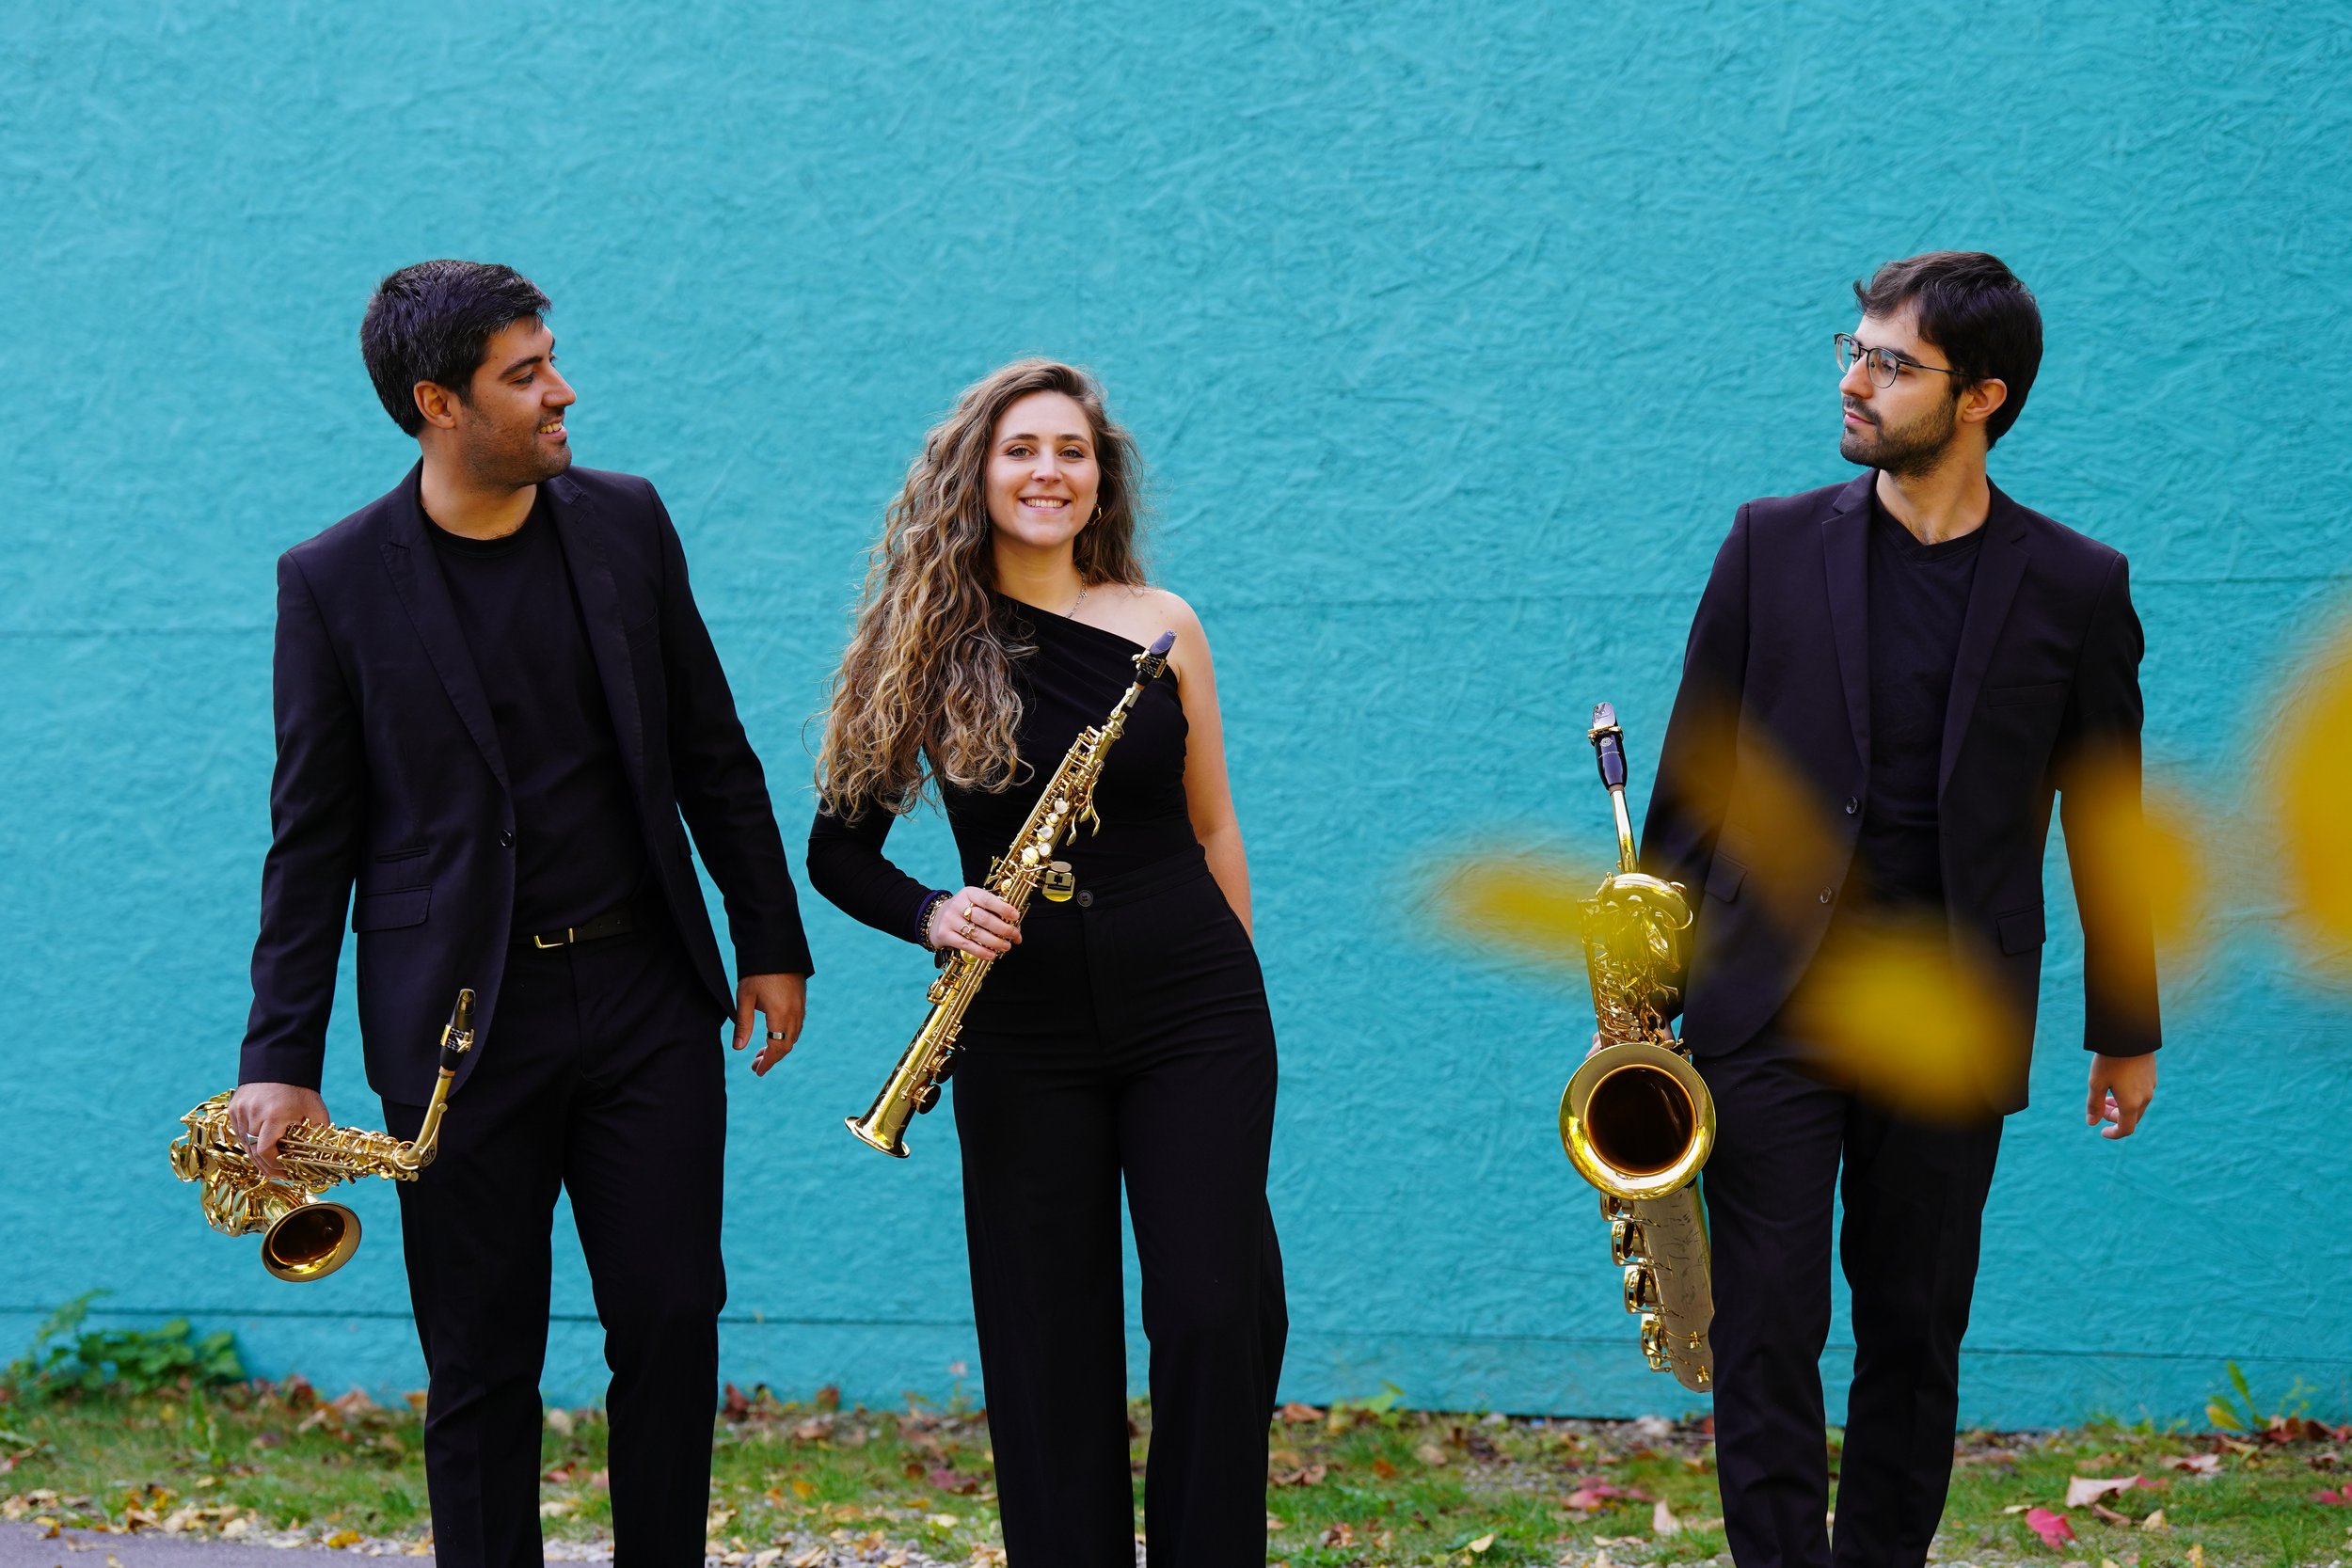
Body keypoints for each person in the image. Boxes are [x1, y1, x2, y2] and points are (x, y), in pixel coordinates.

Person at [229, 261, 813, 1568]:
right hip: (455, 1029)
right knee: (482, 1352)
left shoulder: (625, 521)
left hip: (649, 994)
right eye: (525, 373)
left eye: (550, 358)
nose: (562, 390)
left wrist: (769, 936)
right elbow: (310, 834)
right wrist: (280, 1056)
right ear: (439, 402)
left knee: (670, 1319)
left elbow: (712, 749)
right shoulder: (330, 581)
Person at [1643, 251, 2160, 1568]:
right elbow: (1696, 773)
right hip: (1770, 996)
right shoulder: (1769, 540)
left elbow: (2108, 817)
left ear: (1981, 396)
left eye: (1892, 362)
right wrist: (1640, 983)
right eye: (1853, 348)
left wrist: (2126, 1026)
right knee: (1764, 1317)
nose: (1854, 378)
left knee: (1915, 1329)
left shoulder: (2077, 584)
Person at [806, 359, 1285, 1568]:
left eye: (1071, 451)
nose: (1047, 472)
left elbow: (1214, 824)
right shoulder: (924, 640)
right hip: (1021, 1029)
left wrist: (1241, 990)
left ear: (1099, 476)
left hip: (1191, 1004)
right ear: (975, 472)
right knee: (1046, 1338)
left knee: (1213, 1313)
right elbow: (837, 849)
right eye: (1022, 448)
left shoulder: (1164, 624)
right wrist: (931, 912)